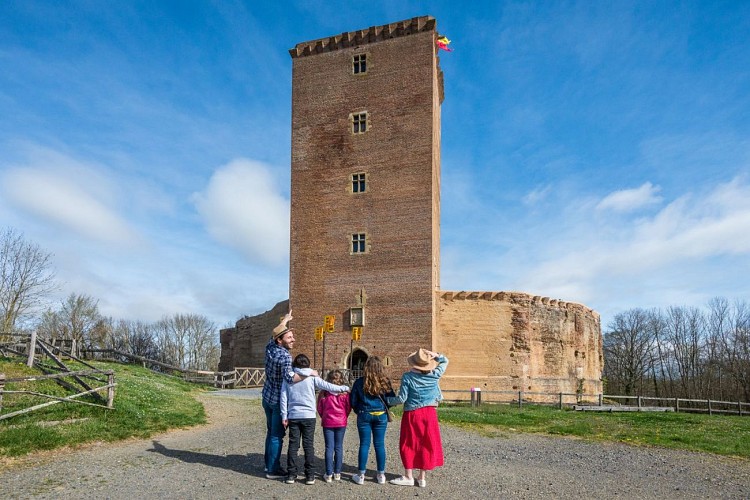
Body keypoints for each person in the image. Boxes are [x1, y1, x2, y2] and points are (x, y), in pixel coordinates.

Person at [262, 310, 317, 479]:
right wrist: (310, 373)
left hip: (267, 397)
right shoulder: (285, 357)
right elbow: (290, 378)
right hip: (279, 400)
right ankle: (272, 470)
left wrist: (285, 320)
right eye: (289, 338)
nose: (293, 340)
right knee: (277, 435)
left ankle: (268, 464)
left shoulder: (270, 347)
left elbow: (276, 332)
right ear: (280, 341)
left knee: (270, 432)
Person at [280, 354, 349, 485]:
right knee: (308, 446)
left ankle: (291, 475)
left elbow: (283, 397)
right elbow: (329, 386)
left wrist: (284, 415)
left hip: (293, 415)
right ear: (308, 365)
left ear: (295, 365)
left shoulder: (288, 378)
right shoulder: (312, 377)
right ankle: (310, 476)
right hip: (309, 416)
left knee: (293, 446)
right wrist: (344, 388)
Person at [387, 348, 448, 488]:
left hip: (413, 414)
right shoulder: (435, 374)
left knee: (408, 443)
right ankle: (422, 478)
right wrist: (435, 356)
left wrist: (387, 401)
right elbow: (445, 361)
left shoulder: (408, 377)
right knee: (426, 443)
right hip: (430, 413)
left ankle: (408, 476)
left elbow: (402, 398)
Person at [349, 356, 396, 485]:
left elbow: (353, 401)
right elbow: (391, 399)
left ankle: (361, 475)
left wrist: (358, 409)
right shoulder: (385, 381)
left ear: (366, 367)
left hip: (364, 414)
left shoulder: (360, 382)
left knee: (364, 444)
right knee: (379, 444)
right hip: (381, 415)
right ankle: (381, 475)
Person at [317, 369, 352, 483]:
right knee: (339, 447)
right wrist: (344, 417)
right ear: (341, 379)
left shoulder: (324, 392)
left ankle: (328, 474)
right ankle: (337, 473)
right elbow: (348, 408)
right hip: (341, 421)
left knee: (329, 447)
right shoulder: (345, 394)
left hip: (328, 421)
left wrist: (324, 416)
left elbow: (319, 408)